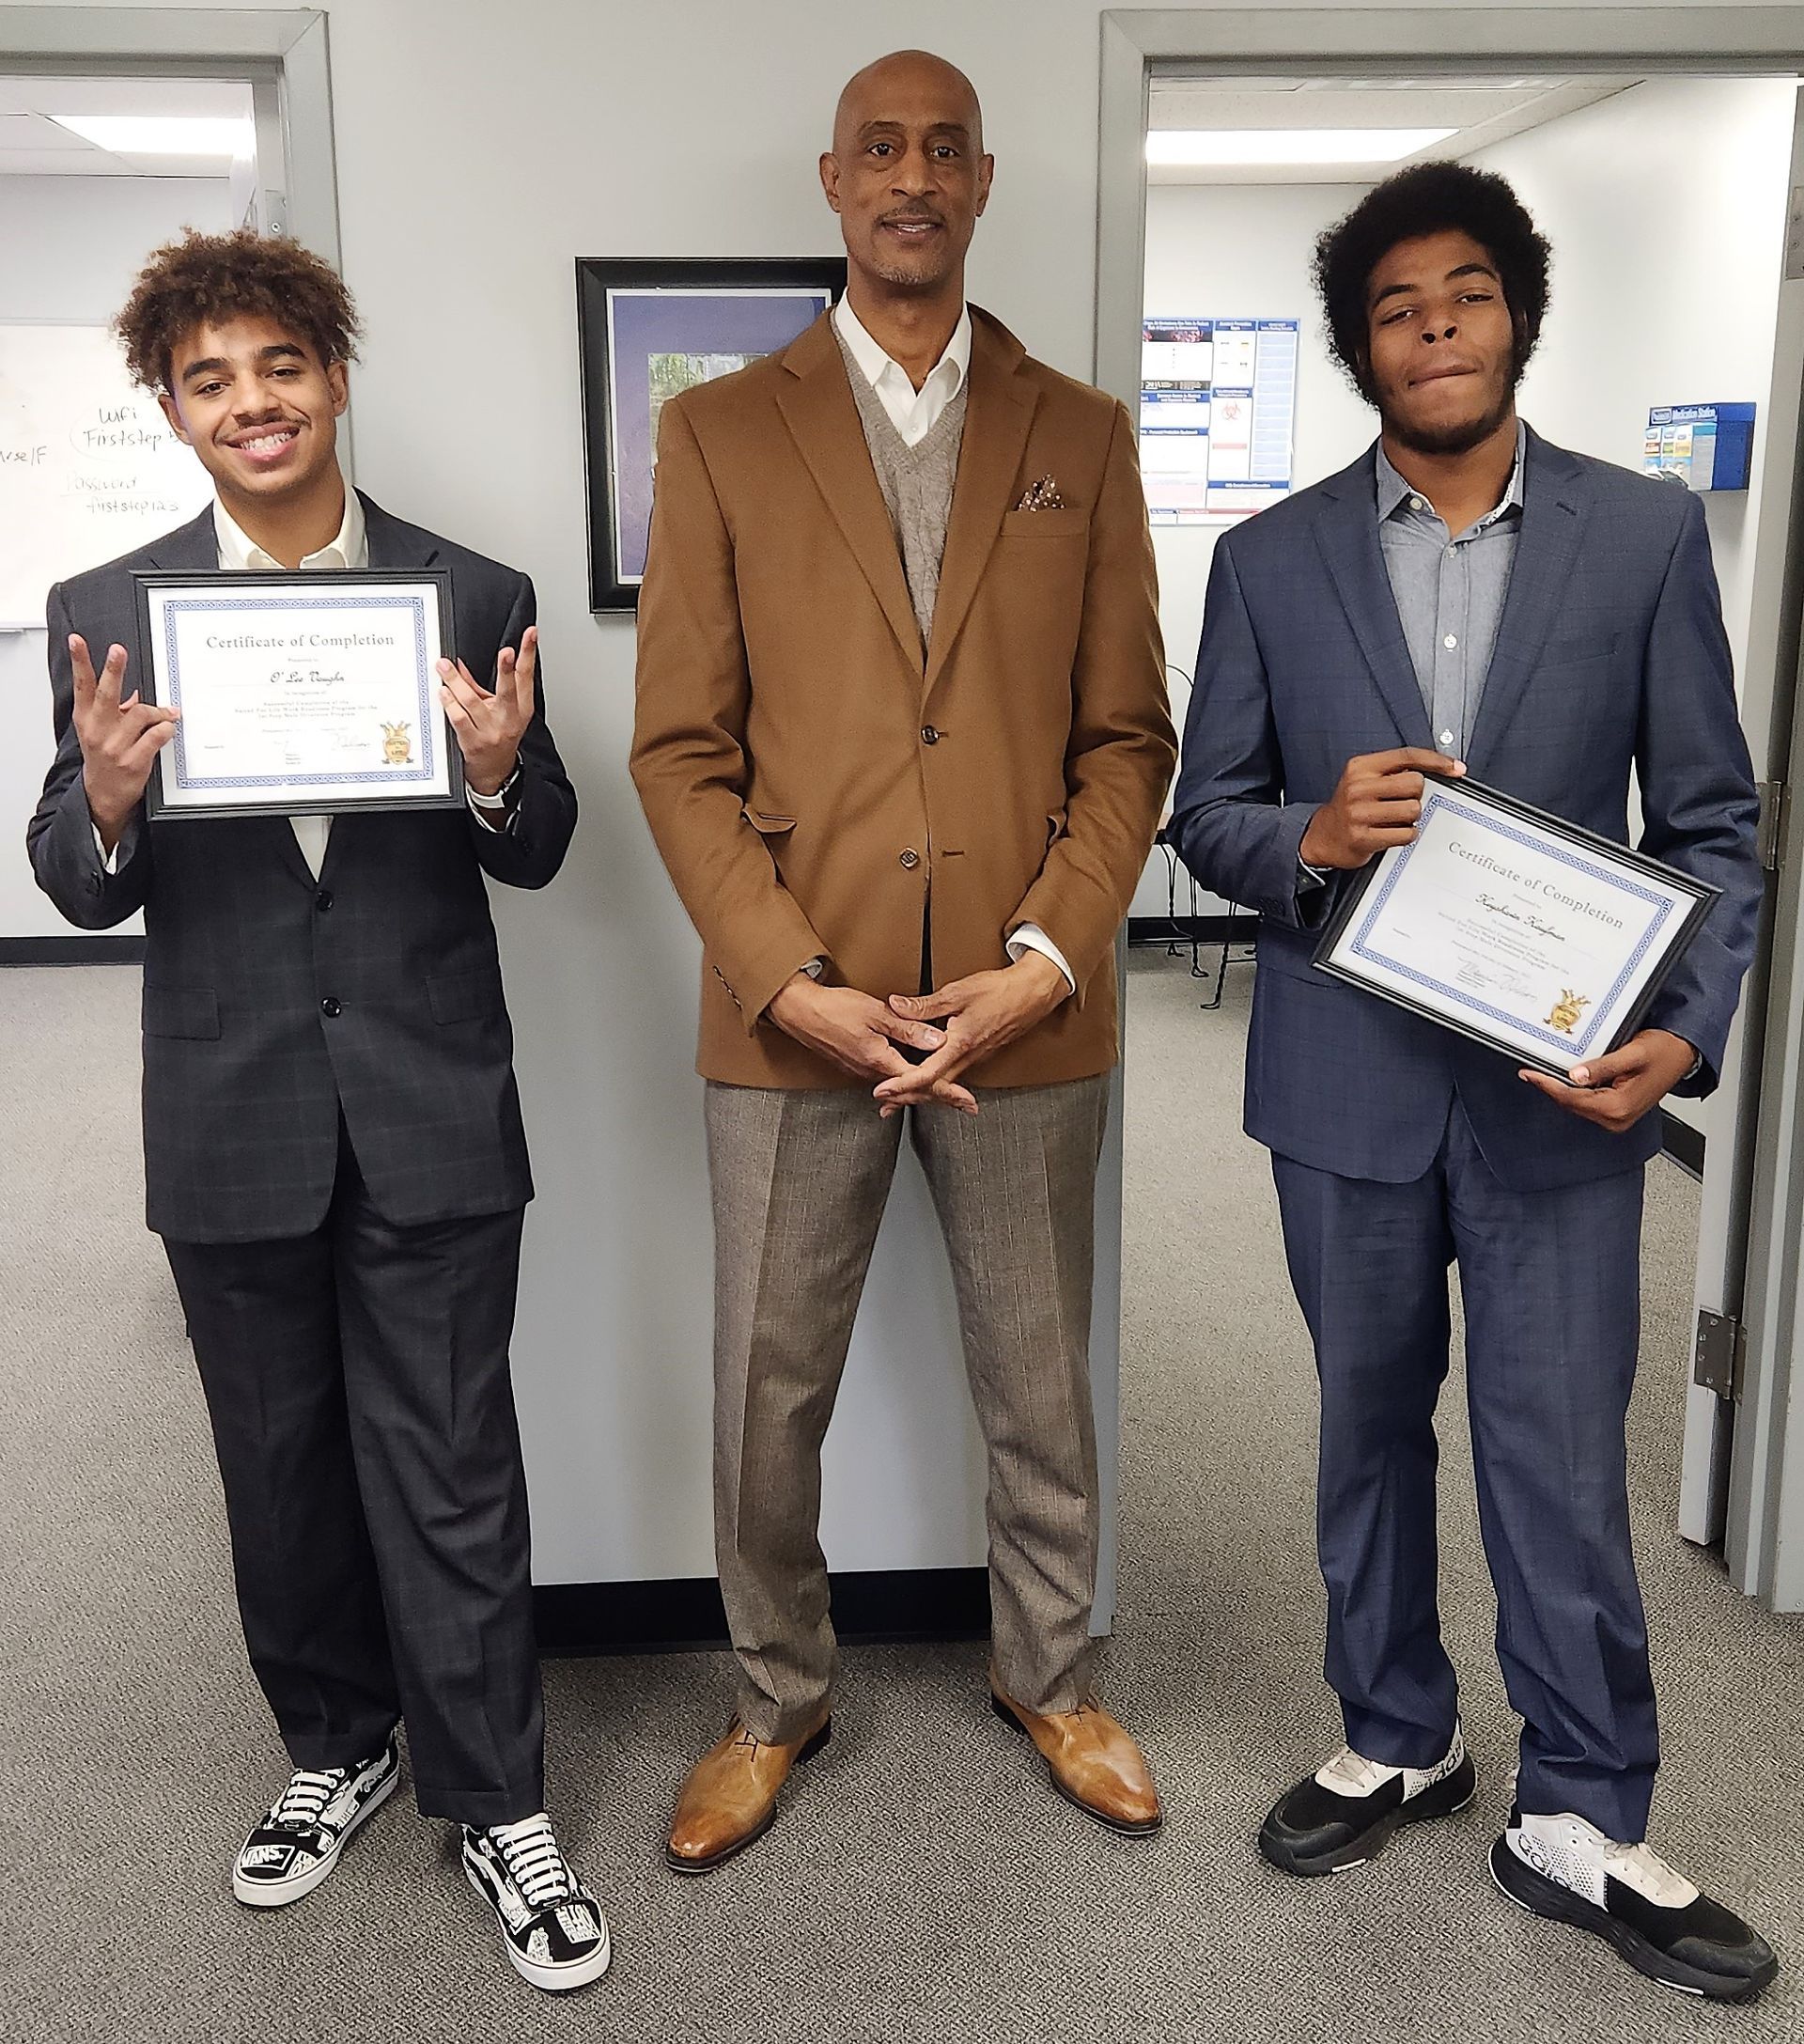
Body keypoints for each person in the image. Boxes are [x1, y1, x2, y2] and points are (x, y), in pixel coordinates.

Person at [1171, 162, 1776, 2003]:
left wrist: (1684, 1031)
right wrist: (1314, 837)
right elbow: (1208, 813)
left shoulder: (1644, 534)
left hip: (1560, 1090)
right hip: (1343, 1084)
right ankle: (1400, 1726)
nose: (1433, 329)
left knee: (1558, 1459)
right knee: (1366, 1427)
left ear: (1518, 313)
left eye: (1467, 295)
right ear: (1363, 346)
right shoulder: (1266, 558)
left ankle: (1583, 1803)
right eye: (1397, 308)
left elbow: (1716, 826)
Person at [26, 230, 608, 1994]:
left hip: (430, 1104)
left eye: (279, 365)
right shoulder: (106, 611)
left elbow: (550, 836)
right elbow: (71, 876)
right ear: (172, 409)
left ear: (333, 377)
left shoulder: (470, 590)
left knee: (453, 1472)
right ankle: (337, 1745)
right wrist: (112, 806)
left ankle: (493, 1796)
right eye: (210, 379)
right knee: (276, 1477)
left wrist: (501, 777)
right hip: (231, 1112)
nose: (252, 402)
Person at [631, 49, 1175, 1872]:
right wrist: (785, 973)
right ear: (833, 181)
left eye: (946, 148)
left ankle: (1056, 1672)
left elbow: (1128, 742)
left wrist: (1048, 956)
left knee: (1043, 1379)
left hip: (1025, 1010)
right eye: (883, 148)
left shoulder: (1081, 436)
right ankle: (774, 1695)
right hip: (798, 1007)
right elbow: (680, 749)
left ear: (988, 181)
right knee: (765, 1396)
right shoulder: (718, 431)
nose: (914, 176)